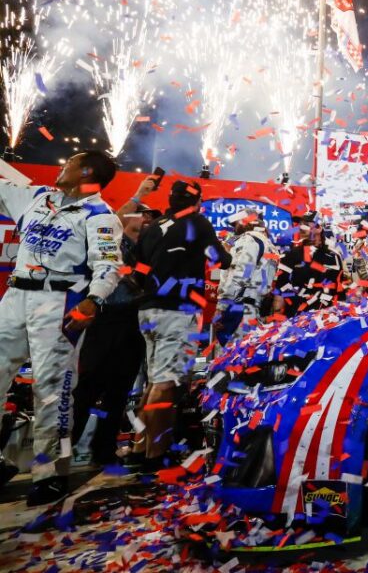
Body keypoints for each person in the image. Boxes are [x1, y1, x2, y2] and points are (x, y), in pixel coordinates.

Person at [0, 151, 123, 504]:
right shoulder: (37, 197)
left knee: (52, 390)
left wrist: (93, 299)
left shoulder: (100, 216)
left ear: (85, 172)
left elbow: (109, 266)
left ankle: (51, 474)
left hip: (59, 302)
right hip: (15, 296)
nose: (60, 166)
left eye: (67, 162)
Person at [132, 180, 230, 469]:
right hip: (177, 310)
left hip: (148, 309)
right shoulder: (197, 223)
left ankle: (140, 447)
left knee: (153, 383)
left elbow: (138, 269)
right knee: (165, 385)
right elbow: (220, 260)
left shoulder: (154, 227)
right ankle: (156, 456)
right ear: (196, 202)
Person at [71, 176, 160, 466]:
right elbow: (120, 216)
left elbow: (146, 281)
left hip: (132, 322)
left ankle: (103, 449)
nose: (146, 220)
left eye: (150, 218)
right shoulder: (113, 239)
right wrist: (139, 193)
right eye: (143, 215)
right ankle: (65, 447)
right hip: (105, 320)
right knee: (88, 387)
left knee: (119, 391)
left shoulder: (147, 251)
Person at [214, 209, 279, 348]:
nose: (234, 227)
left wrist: (221, 307)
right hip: (253, 309)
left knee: (228, 362)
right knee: (244, 359)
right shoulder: (270, 245)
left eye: (236, 223)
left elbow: (239, 275)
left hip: (238, 309)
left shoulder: (249, 240)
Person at [274, 216, 344, 318]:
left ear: (319, 228)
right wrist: (277, 315)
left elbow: (339, 287)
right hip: (296, 317)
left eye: (306, 225)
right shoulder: (290, 254)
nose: (301, 228)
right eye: (300, 224)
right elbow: (280, 286)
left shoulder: (334, 255)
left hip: (326, 317)